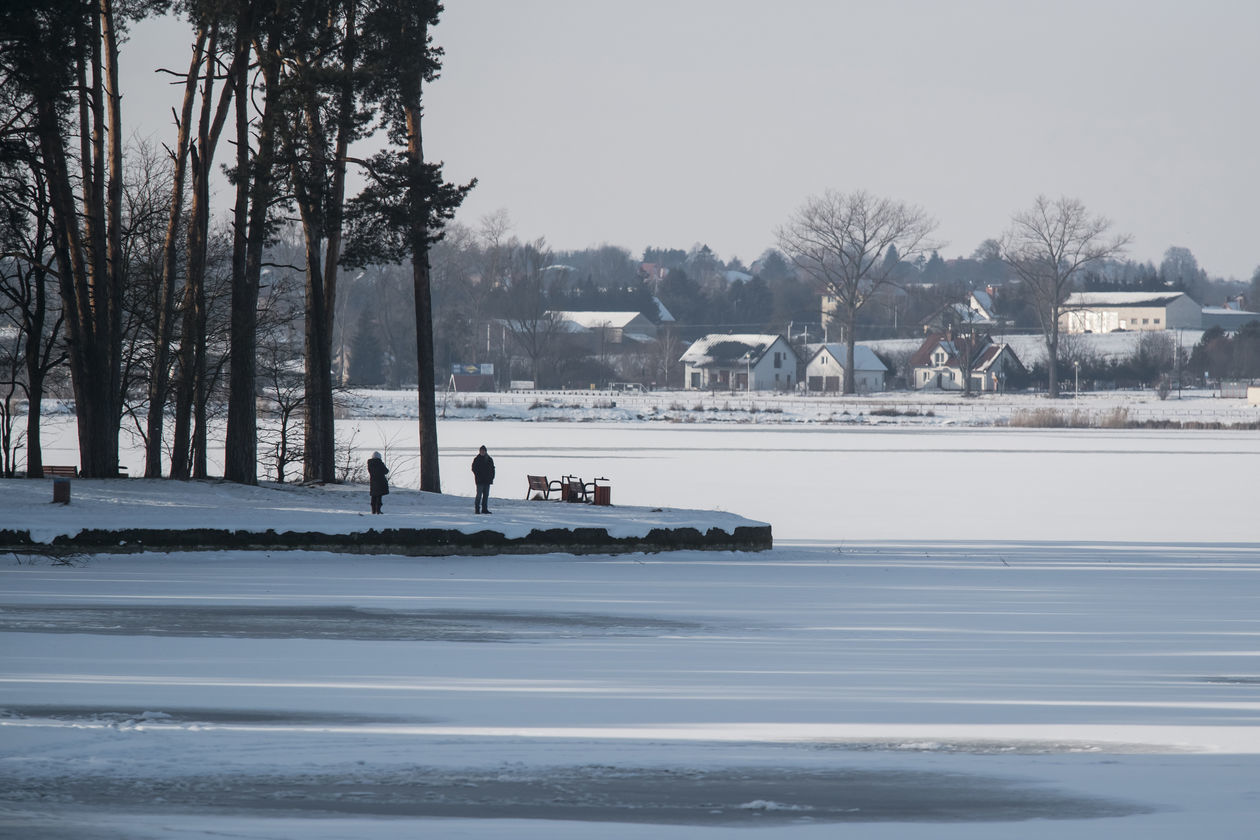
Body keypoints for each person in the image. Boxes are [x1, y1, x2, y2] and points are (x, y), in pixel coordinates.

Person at [471, 444, 495, 514]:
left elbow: (492, 469)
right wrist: (478, 476)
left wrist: (492, 477)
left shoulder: (489, 459)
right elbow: (473, 469)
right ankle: (477, 509)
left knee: (486, 495)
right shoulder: (477, 459)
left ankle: (484, 509)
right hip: (479, 481)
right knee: (479, 495)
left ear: (486, 451)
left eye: (483, 451)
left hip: (487, 481)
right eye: (481, 451)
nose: (482, 452)